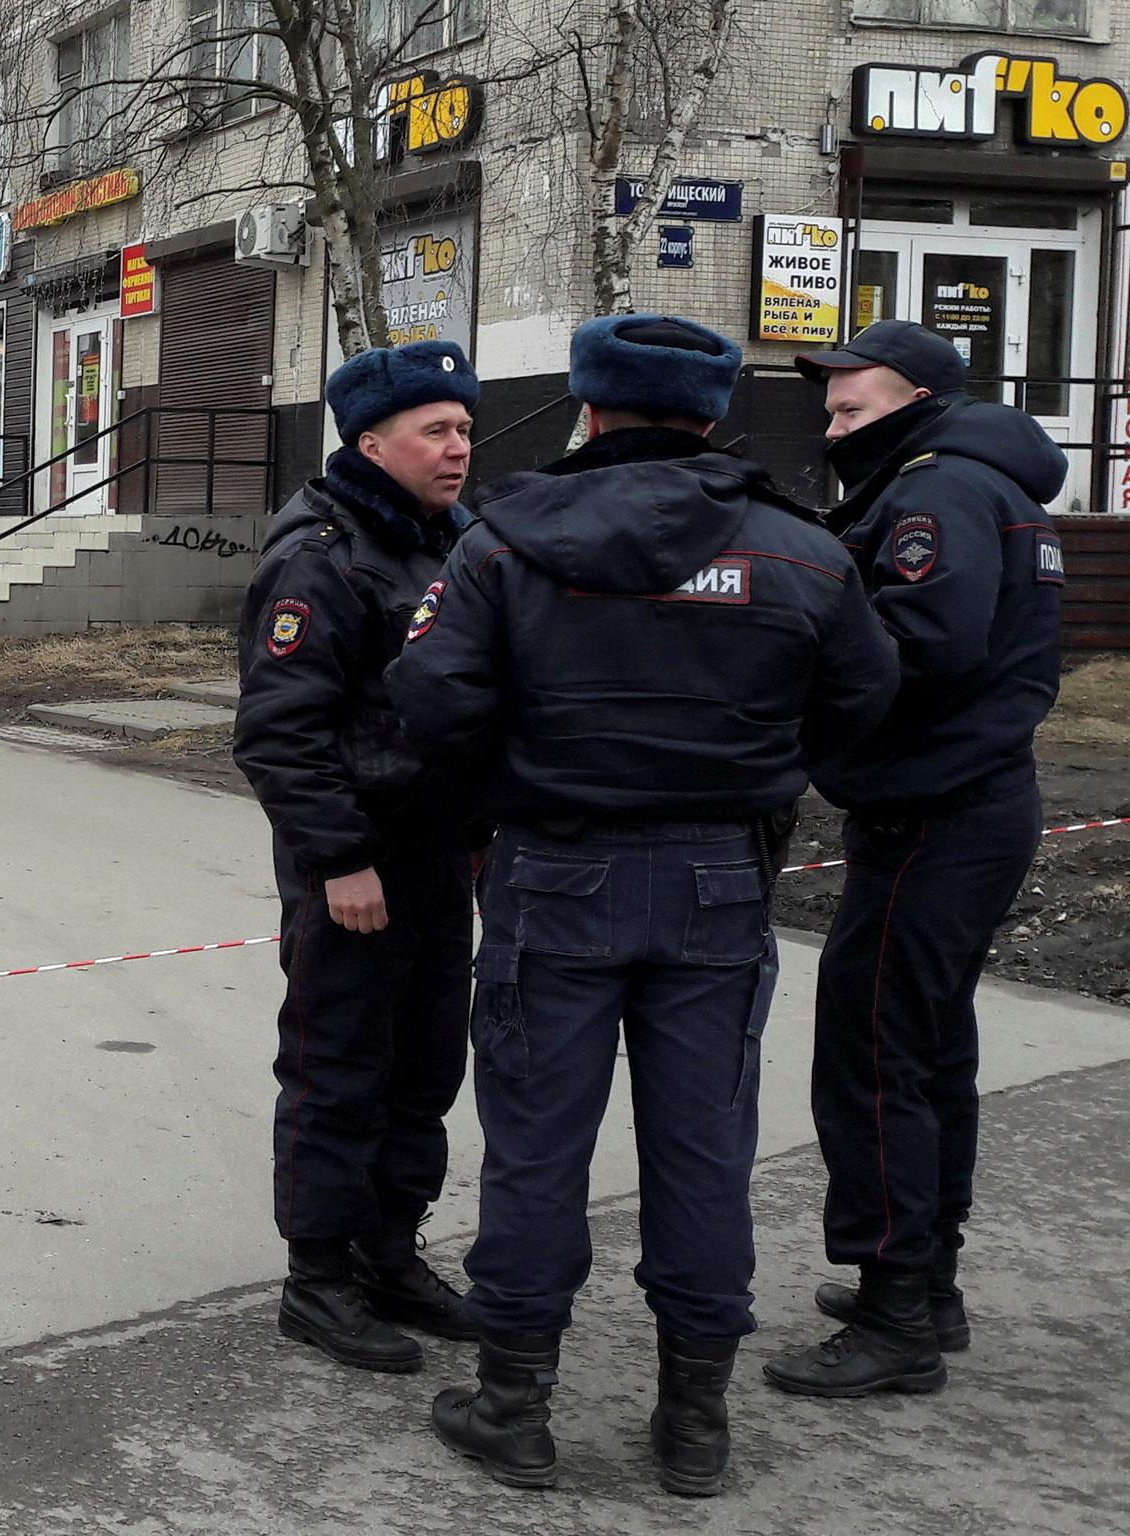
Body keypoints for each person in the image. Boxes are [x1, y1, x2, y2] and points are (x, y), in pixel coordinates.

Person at [387, 314, 899, 1495]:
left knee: (533, 1149)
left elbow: (429, 705)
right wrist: (753, 769)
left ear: (586, 409)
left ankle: (513, 1406)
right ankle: (693, 1425)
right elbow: (864, 700)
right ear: (711, 416)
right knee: (703, 1151)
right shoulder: (800, 551)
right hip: (719, 879)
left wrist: (508, 791)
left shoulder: (502, 543)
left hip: (552, 870)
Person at [764, 320, 1065, 1399]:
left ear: (920, 401)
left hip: (934, 814)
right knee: (928, 1047)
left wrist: (786, 660)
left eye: (853, 408)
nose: (833, 425)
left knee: (876, 1054)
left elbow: (917, 646)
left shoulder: (935, 493)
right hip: (970, 804)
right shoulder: (983, 483)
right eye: (830, 408)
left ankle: (896, 1313)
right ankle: (924, 1279)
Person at [233, 339, 483, 1376]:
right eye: (436, 430)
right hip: (354, 863)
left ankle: (388, 1252)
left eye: (464, 427)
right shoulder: (320, 555)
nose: (458, 447)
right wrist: (338, 859)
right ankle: (318, 1281)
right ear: (369, 441)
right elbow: (279, 732)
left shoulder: (447, 542)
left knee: (423, 1067)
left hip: (434, 856)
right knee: (338, 1068)